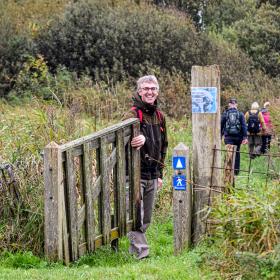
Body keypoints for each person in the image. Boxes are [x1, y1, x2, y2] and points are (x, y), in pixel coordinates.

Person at [123, 75, 168, 259]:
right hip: (134, 173)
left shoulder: (160, 116)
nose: (150, 92)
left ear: (157, 91)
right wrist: (135, 139)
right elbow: (118, 140)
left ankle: (132, 249)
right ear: (139, 91)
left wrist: (160, 174)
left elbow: (164, 146)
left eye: (153, 88)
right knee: (136, 215)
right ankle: (142, 253)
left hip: (152, 174)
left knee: (146, 218)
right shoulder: (132, 114)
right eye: (146, 88)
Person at [221, 98, 248, 175]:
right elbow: (244, 126)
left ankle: (228, 171)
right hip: (238, 137)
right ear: (236, 104)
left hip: (228, 137)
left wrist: (220, 136)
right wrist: (245, 137)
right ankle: (236, 171)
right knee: (237, 153)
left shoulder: (225, 113)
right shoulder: (240, 114)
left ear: (229, 104)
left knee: (228, 153)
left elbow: (221, 125)